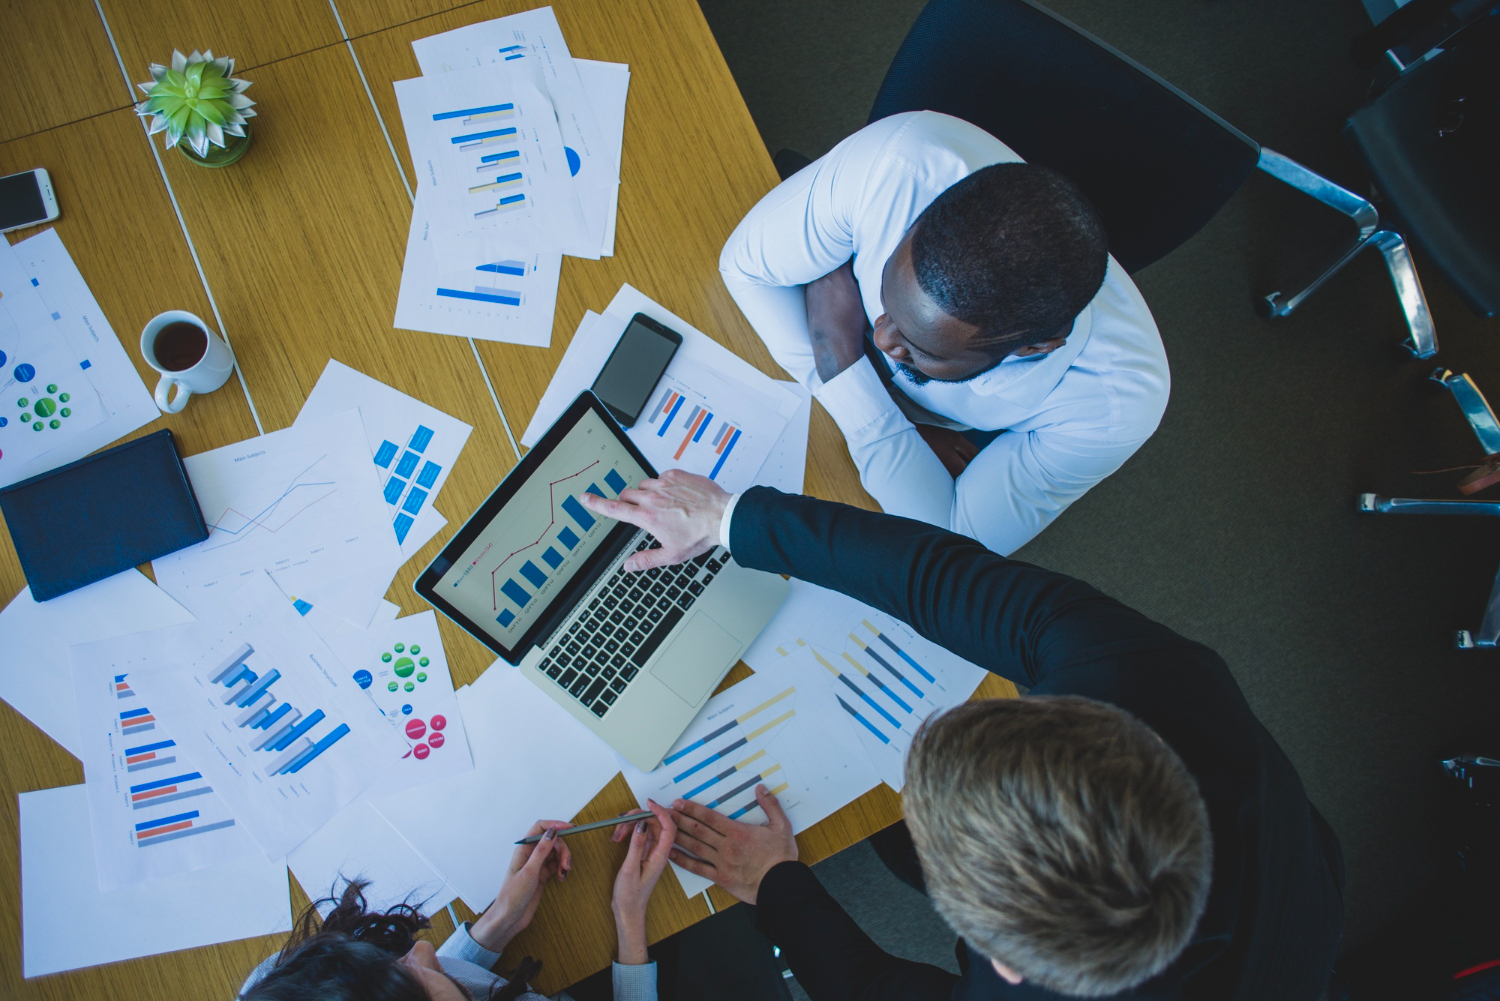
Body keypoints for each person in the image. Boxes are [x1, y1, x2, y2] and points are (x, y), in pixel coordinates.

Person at [579, 474, 1344, 1000]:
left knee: (886, 841)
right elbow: (942, 577)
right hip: (1291, 866)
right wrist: (730, 519)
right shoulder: (1159, 678)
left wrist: (777, 887)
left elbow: (879, 992)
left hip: (1274, 952)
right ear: (1094, 723)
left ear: (1003, 963)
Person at [719, 111, 1170, 557]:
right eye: (886, 298)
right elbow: (743, 268)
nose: (880, 339)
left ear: (1032, 348)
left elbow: (955, 548)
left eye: (919, 349)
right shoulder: (897, 166)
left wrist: (839, 357)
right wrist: (899, 435)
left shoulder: (1114, 406)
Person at [237, 806, 676, 1001]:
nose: (427, 948)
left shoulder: (276, 985)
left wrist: (500, 921)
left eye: (388, 961)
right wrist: (629, 918)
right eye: (424, 980)